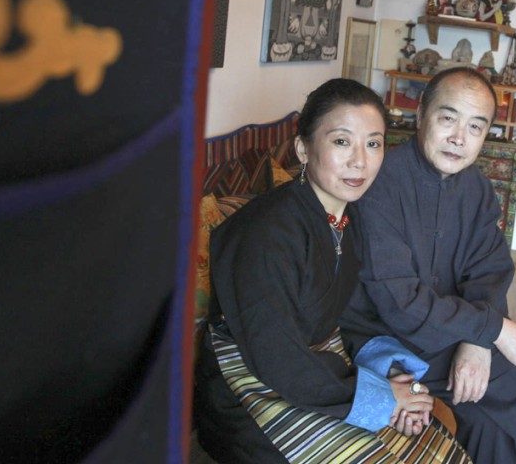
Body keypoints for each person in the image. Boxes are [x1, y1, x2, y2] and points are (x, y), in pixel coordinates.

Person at [193, 78, 470, 464]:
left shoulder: (346, 218)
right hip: (248, 382)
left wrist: (392, 380)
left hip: (315, 364)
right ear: (303, 148)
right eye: (342, 141)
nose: (360, 160)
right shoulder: (265, 231)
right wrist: (383, 398)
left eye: (373, 143)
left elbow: (352, 315)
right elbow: (273, 352)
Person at [341, 68, 516, 464]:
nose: (459, 138)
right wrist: (493, 330)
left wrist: (478, 342)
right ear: (421, 115)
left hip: (448, 329)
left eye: (476, 126)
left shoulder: (477, 189)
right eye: (448, 118)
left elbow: (489, 272)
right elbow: (399, 303)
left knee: (489, 419)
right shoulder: (380, 181)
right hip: (384, 334)